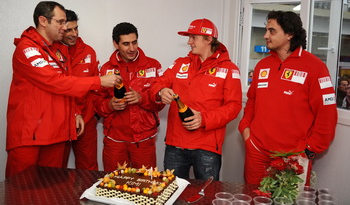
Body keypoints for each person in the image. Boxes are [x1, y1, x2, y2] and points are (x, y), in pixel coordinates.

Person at [6, 1, 119, 178]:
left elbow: (62, 89)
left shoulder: (54, 52)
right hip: (30, 136)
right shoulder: (27, 49)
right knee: (21, 193)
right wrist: (98, 81)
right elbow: (56, 81)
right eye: (60, 22)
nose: (64, 27)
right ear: (43, 21)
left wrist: (75, 112)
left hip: (55, 135)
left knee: (50, 193)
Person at [238, 10, 337, 185]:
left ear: (290, 34)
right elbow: (252, 101)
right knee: (253, 198)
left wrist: (308, 151)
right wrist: (246, 131)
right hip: (257, 152)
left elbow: (326, 114)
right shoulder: (262, 66)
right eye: (266, 30)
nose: (266, 35)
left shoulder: (315, 67)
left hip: (293, 157)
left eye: (272, 31)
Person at [150, 18, 242, 181]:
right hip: (175, 145)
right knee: (172, 192)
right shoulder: (180, 64)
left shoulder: (229, 69)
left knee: (206, 195)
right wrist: (160, 91)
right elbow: (157, 83)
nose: (189, 42)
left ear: (208, 39)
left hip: (206, 147)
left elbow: (234, 107)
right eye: (189, 37)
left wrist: (204, 119)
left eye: (193, 37)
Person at [94, 22, 164, 172]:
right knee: (114, 188)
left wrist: (141, 98)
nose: (132, 48)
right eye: (126, 44)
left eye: (134, 42)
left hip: (144, 140)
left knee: (146, 187)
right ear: (115, 44)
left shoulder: (153, 65)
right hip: (115, 141)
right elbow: (95, 103)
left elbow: (161, 102)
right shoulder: (105, 69)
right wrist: (109, 105)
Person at [58, 9, 99, 170]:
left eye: (76, 28)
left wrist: (94, 115)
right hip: (60, 120)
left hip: (87, 120)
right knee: (55, 169)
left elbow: (98, 87)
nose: (74, 34)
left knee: (88, 168)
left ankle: (88, 196)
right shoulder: (50, 53)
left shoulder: (88, 52)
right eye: (69, 30)